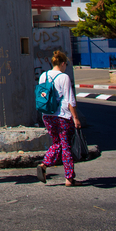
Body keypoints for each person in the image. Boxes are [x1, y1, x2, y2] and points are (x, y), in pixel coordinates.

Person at [37, 49, 81, 186]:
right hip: (62, 115)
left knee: (58, 143)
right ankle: (69, 178)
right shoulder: (64, 77)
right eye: (66, 64)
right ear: (62, 63)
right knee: (65, 145)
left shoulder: (43, 76)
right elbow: (70, 101)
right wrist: (75, 118)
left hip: (47, 115)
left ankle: (44, 165)